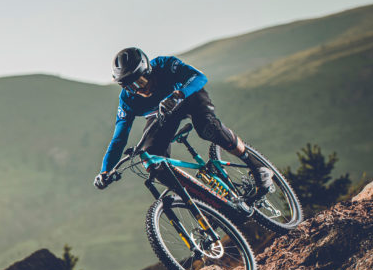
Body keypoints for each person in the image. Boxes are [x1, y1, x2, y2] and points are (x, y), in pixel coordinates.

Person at [94, 47, 272, 202]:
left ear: (148, 71)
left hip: (188, 97)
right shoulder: (127, 100)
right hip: (163, 114)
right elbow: (119, 139)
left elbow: (199, 77)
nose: (138, 89)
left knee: (208, 128)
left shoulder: (165, 65)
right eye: (130, 87)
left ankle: (257, 167)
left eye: (140, 82)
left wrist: (180, 94)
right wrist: (105, 171)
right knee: (153, 162)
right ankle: (202, 204)